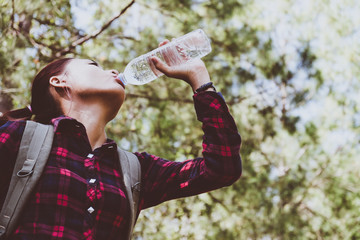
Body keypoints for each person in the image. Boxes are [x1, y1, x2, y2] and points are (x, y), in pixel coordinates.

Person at [0, 40, 242, 239]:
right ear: (60, 81)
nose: (114, 72)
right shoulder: (19, 137)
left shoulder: (136, 171)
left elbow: (221, 168)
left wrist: (200, 79)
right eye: (95, 65)